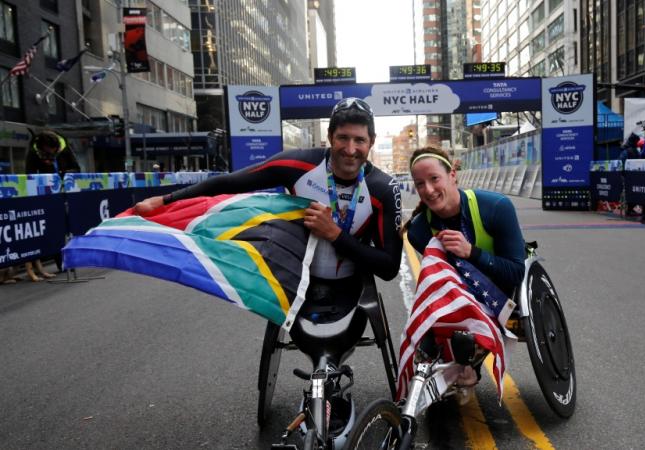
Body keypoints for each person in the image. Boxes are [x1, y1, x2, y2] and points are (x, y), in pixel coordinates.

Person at [134, 97, 402, 319]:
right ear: (330, 136)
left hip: (350, 286)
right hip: (297, 282)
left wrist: (335, 234)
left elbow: (389, 268)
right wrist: (166, 200)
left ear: (371, 142)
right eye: (342, 138)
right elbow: (229, 183)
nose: (350, 149)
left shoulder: (383, 189)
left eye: (359, 140)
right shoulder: (299, 165)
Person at [402, 146, 526, 401]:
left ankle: (468, 366)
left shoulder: (496, 207)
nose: (428, 190)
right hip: (458, 294)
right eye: (420, 184)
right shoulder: (418, 231)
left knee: (463, 342)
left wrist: (472, 252)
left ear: (453, 175)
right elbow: (441, 280)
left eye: (434, 179)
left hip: (500, 292)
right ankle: (453, 366)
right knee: (425, 338)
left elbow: (515, 273)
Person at [24, 130, 81, 281]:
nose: (53, 153)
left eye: (55, 150)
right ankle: (62, 262)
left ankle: (69, 259)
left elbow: (76, 168)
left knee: (66, 226)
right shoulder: (34, 153)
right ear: (43, 147)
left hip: (65, 192)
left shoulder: (63, 148)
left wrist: (63, 174)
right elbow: (28, 175)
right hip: (47, 196)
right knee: (54, 228)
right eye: (50, 151)